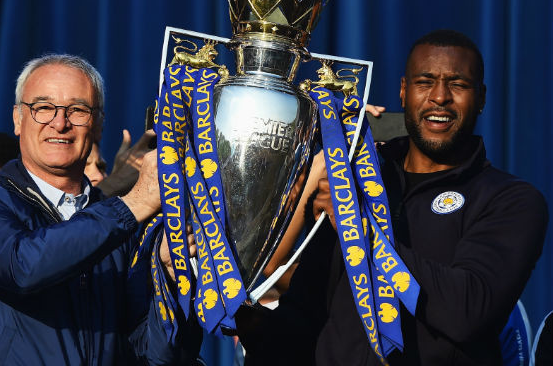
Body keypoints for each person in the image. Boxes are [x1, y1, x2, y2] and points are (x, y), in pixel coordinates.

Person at [235, 29, 548, 365]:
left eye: (457, 84)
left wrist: (359, 229)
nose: (440, 96)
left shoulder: (511, 200)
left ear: (482, 98)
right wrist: (249, 323)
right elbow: (305, 319)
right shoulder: (356, 183)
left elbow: (467, 312)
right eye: (425, 81)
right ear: (403, 91)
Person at [0, 54, 200, 365]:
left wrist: (170, 278)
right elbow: (24, 267)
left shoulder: (120, 225)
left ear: (99, 125)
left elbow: (158, 357)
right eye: (43, 108)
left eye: (77, 110)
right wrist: (136, 202)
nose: (59, 123)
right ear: (18, 119)